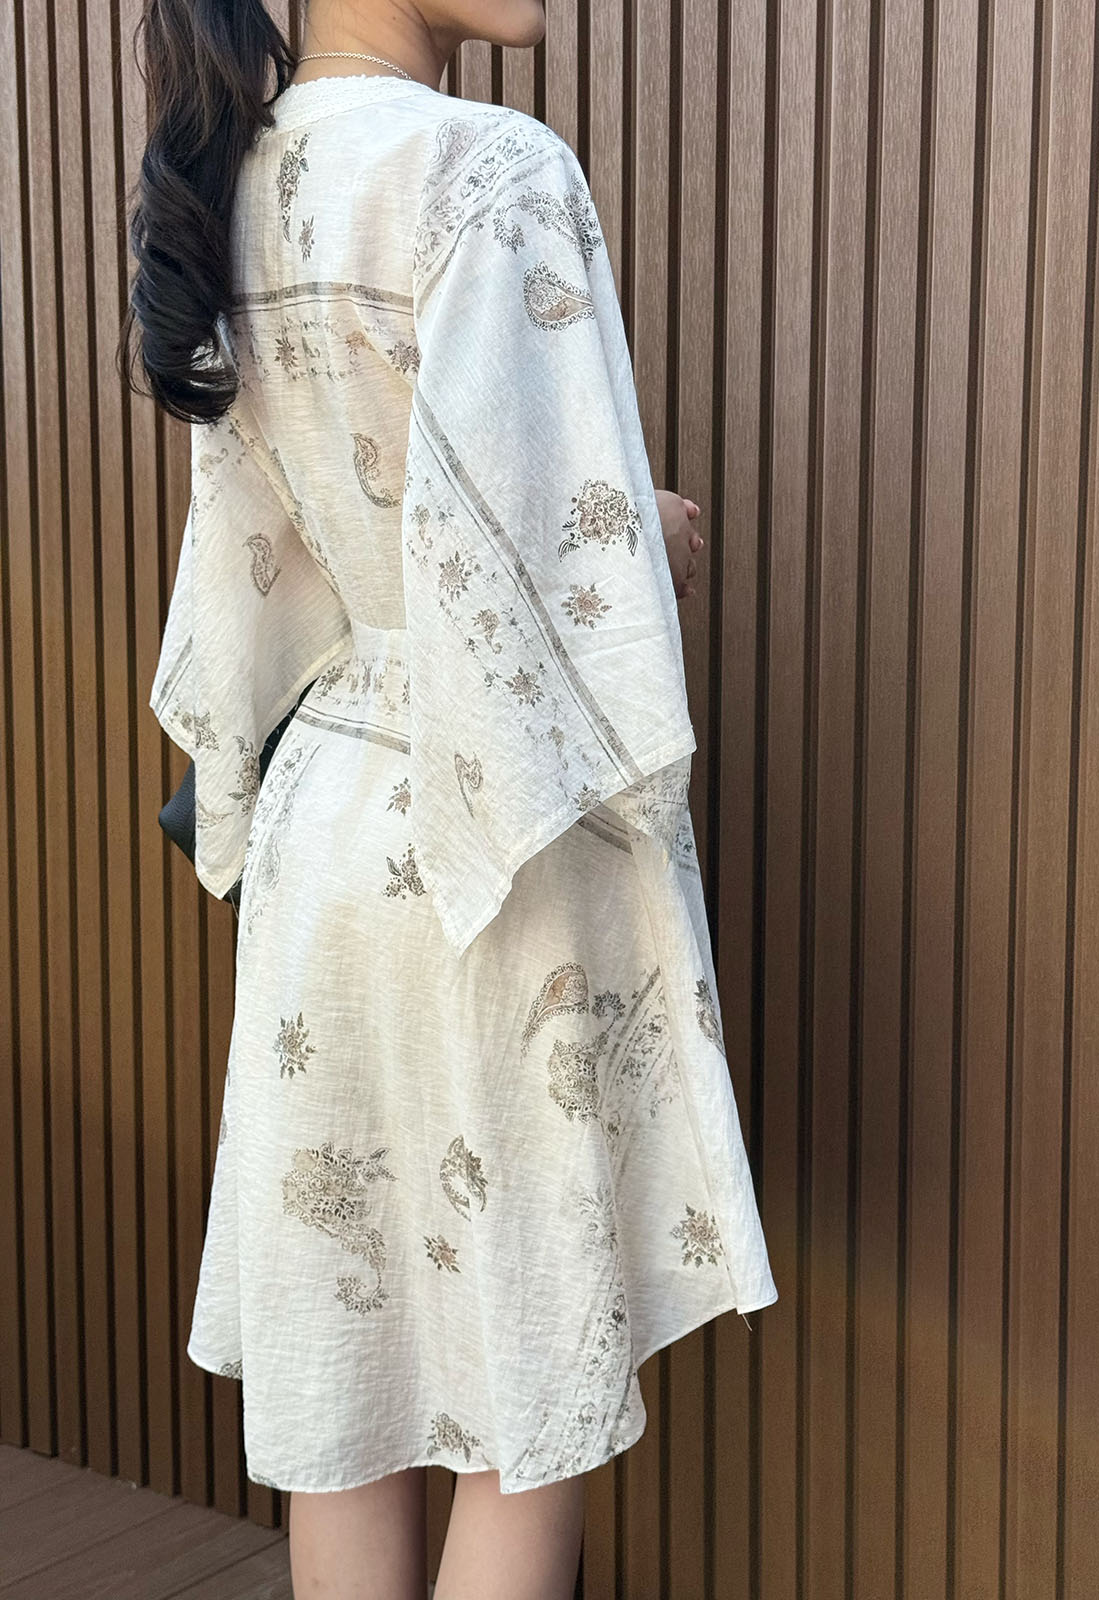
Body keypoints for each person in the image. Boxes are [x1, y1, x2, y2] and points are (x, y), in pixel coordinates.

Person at [121, 0, 779, 1595]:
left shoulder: (239, 178)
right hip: (498, 834)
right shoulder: (488, 167)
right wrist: (644, 539)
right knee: (519, 1399)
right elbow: (549, 583)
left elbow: (275, 560)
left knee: (350, 1385)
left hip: (331, 823)